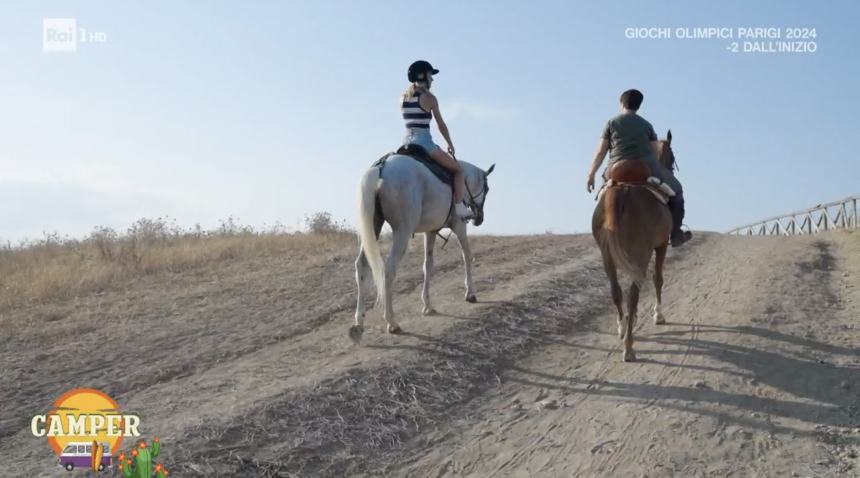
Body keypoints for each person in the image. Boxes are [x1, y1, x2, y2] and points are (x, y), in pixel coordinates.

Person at [586, 89, 692, 247]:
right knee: (677, 190)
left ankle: (601, 228)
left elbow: (601, 151)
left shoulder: (611, 123)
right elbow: (655, 152)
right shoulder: (647, 125)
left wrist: (591, 174)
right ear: (638, 106)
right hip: (645, 166)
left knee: (603, 192)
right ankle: (675, 234)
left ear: (621, 103)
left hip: (615, 168)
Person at [401, 60, 472, 220]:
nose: (432, 80)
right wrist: (450, 144)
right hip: (425, 144)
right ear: (423, 76)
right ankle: (460, 208)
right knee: (458, 170)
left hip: (406, 144)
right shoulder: (430, 98)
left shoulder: (402, 98)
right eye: (430, 76)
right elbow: (441, 125)